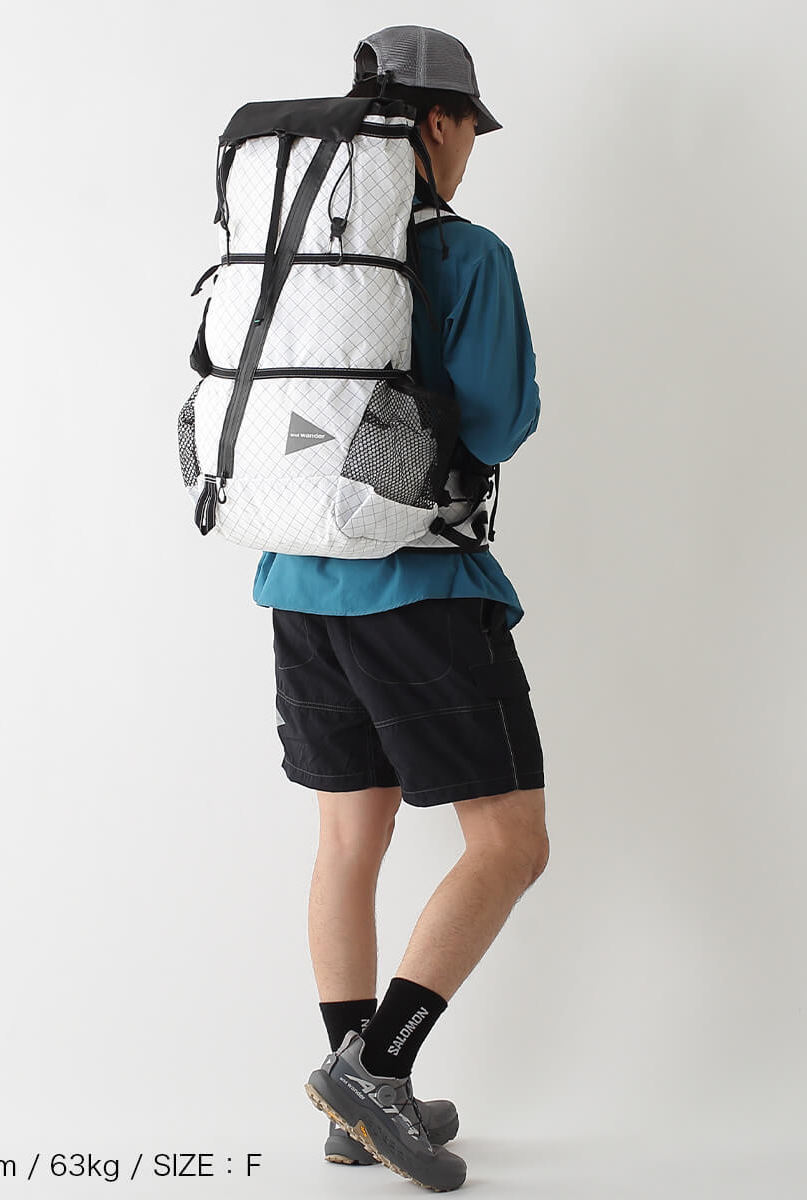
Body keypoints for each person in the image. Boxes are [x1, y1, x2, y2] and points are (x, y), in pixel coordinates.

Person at [252, 26, 549, 1192]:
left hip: (297, 582)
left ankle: (350, 1094)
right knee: (511, 843)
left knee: (346, 841)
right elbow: (499, 422)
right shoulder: (467, 255)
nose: (472, 148)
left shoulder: (292, 251)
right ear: (437, 122)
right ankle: (377, 1071)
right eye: (471, 126)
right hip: (419, 589)